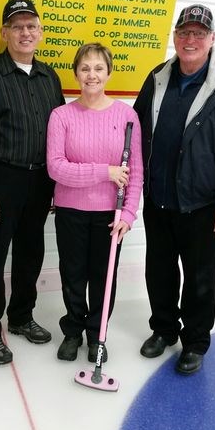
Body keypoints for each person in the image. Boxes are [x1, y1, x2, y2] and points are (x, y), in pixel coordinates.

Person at [134, 4, 215, 375]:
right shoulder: (158, 77)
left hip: (203, 203)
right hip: (159, 198)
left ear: (212, 39)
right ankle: (163, 329)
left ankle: (195, 341)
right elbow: (138, 131)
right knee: (158, 270)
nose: (190, 39)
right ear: (175, 36)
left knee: (199, 277)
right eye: (184, 32)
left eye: (199, 33)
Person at [0, 0, 65, 365]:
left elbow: (58, 133)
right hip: (1, 177)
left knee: (30, 251)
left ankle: (22, 316)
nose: (25, 32)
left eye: (31, 26)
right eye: (17, 26)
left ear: (40, 32)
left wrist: (56, 183)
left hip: (40, 179)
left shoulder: (49, 76)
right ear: (4, 32)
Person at [47, 43, 143, 362]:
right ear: (76, 73)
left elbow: (136, 171)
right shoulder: (61, 116)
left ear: (109, 72)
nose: (92, 75)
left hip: (110, 214)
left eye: (98, 68)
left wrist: (128, 213)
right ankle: (73, 332)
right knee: (73, 275)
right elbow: (56, 168)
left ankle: (97, 336)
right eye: (85, 68)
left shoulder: (127, 116)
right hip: (71, 211)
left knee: (104, 279)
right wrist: (106, 172)